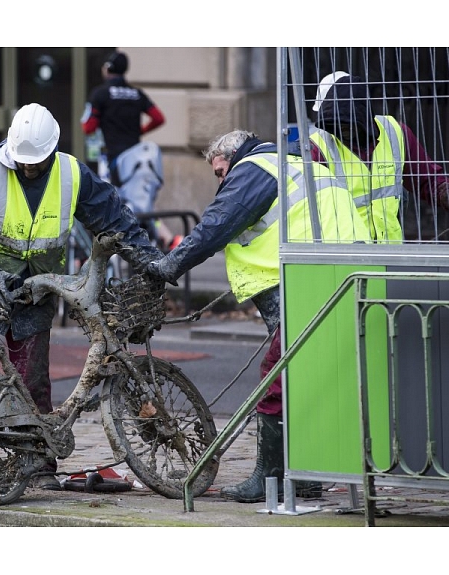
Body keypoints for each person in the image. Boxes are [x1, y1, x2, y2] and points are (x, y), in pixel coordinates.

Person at [0, 102, 162, 490]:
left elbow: (114, 218)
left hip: (34, 289)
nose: (29, 168)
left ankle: (36, 461)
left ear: (52, 151)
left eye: (36, 162)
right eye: (23, 162)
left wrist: (149, 260)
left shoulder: (71, 174)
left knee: (32, 380)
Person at [144, 129, 371, 503]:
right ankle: (305, 476)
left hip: (311, 282)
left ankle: (267, 477)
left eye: (220, 171)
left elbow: (213, 228)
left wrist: (167, 267)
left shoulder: (255, 168)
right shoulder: (295, 163)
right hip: (343, 274)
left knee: (276, 378)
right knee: (308, 379)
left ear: (233, 157)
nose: (222, 180)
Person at [309, 71, 449, 242]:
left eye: (345, 123)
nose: (339, 129)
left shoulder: (395, 134)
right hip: (342, 251)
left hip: (389, 249)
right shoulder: (318, 147)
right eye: (332, 123)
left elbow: (427, 178)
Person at [81, 50, 180, 251]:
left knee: (108, 206)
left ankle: (100, 252)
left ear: (107, 69)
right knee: (143, 206)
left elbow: (87, 127)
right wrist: (140, 130)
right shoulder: (137, 94)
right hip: (137, 159)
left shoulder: (100, 93)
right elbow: (158, 118)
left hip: (115, 161)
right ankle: (168, 239)